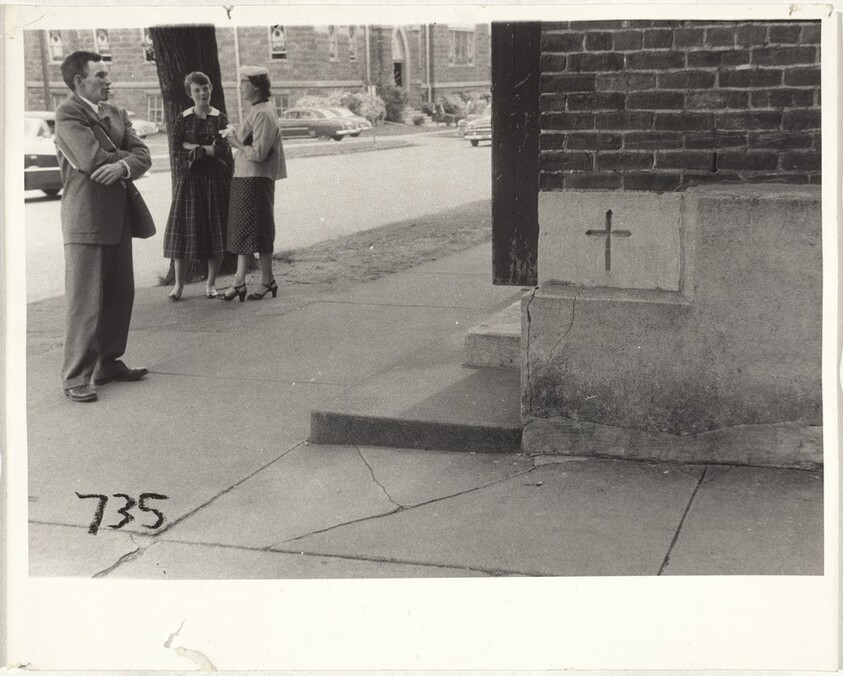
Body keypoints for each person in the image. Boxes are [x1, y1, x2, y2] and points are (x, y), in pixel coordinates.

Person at [54, 50, 151, 402]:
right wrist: (125, 159)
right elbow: (89, 159)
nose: (108, 81)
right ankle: (75, 377)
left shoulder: (116, 112)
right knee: (86, 301)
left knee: (120, 294)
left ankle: (108, 362)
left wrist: (123, 167)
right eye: (100, 75)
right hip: (86, 220)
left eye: (107, 75)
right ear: (79, 82)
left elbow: (144, 154)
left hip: (118, 216)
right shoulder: (68, 113)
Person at [162, 71, 231, 300]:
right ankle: (179, 285)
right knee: (184, 230)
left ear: (211, 89)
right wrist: (203, 149)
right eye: (197, 90)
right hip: (190, 180)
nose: (202, 93)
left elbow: (221, 149)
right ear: (190, 94)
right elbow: (176, 148)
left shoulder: (219, 117)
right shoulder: (183, 118)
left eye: (205, 88)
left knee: (215, 230)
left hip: (215, 180)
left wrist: (194, 148)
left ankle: (210, 284)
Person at [220, 65, 286, 302]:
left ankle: (266, 280)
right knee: (244, 229)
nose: (240, 88)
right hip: (246, 175)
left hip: (256, 177)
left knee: (259, 229)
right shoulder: (257, 109)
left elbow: (259, 152)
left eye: (244, 83)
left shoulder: (264, 113)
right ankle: (241, 281)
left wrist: (234, 142)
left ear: (255, 86)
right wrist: (235, 134)